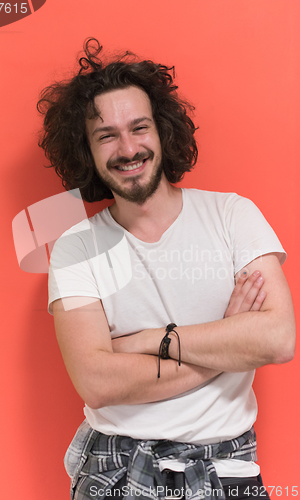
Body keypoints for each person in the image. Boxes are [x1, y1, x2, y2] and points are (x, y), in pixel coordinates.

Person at [37, 39, 295, 500]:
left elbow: (277, 339)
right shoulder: (76, 248)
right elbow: (97, 383)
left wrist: (149, 342)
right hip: (115, 464)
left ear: (163, 131)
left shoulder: (233, 216)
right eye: (106, 135)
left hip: (226, 463)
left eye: (139, 127)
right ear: (87, 151)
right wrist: (227, 340)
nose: (128, 148)